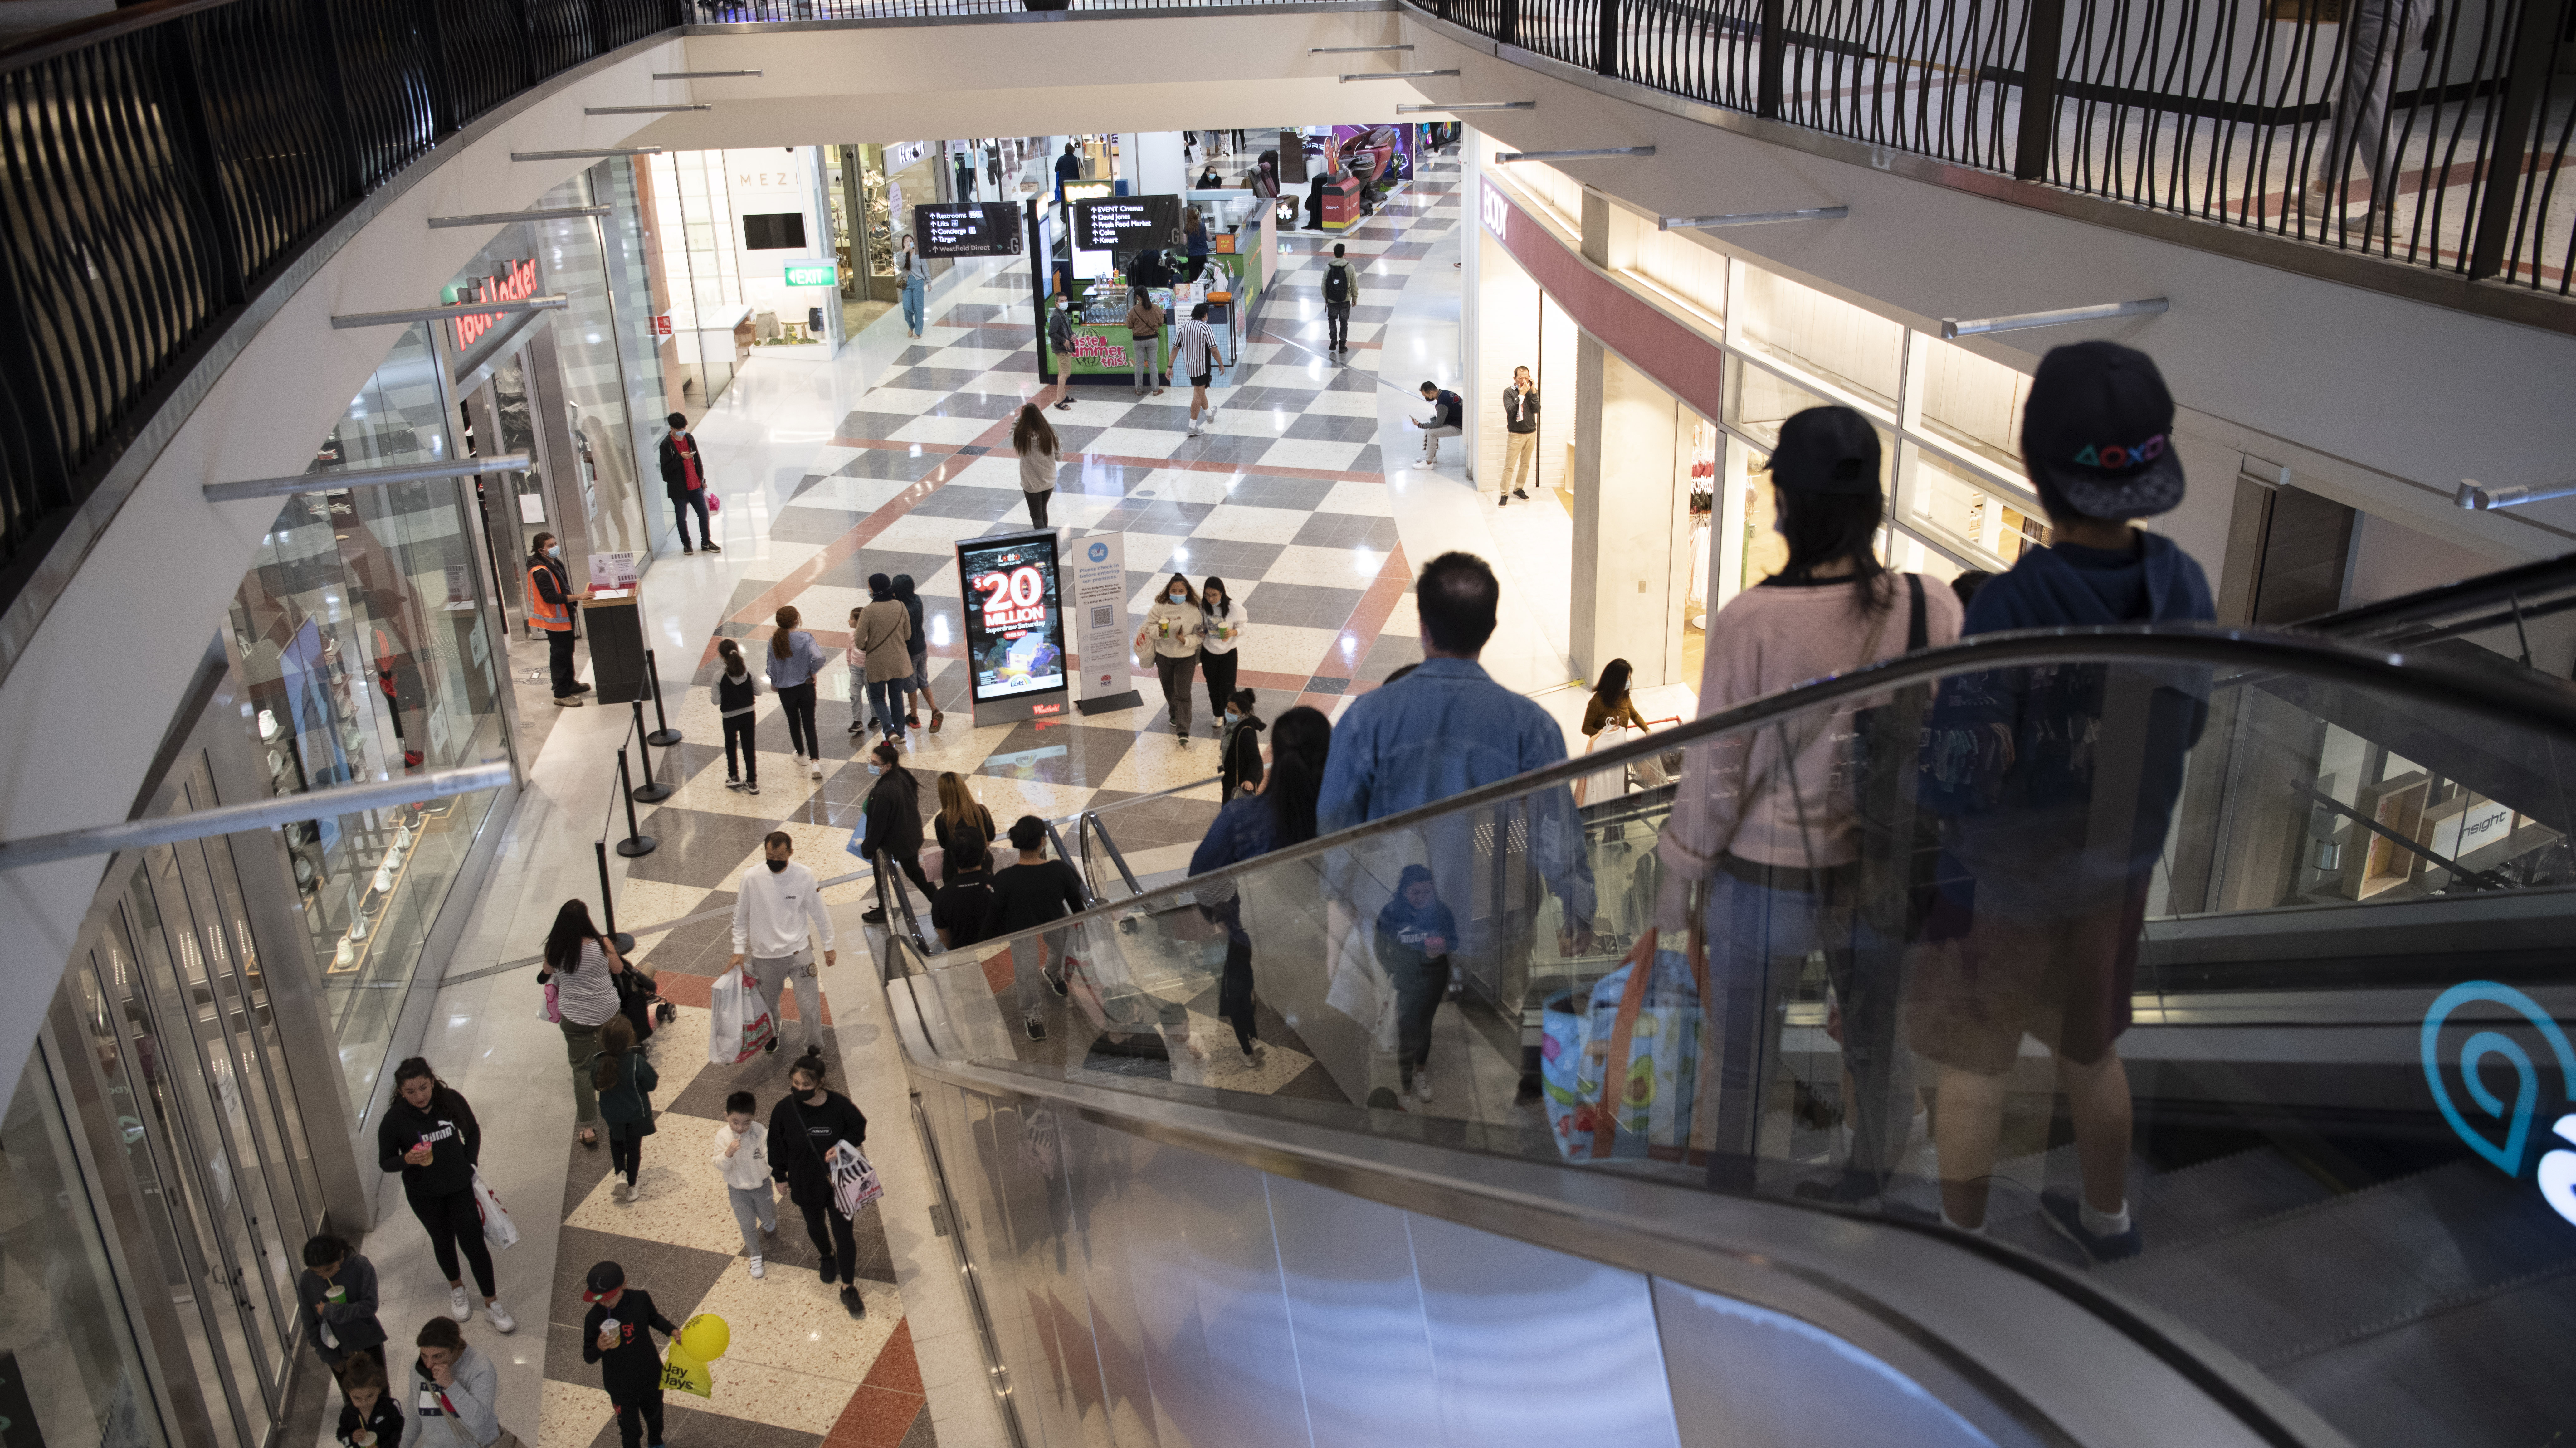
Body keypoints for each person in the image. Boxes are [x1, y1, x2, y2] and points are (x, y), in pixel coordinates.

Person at [1910, 342, 2214, 1261]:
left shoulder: (2010, 605)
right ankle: (2108, 1219)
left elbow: (1959, 771)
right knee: (2091, 1052)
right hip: (2117, 877)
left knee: (1974, 1063)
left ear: (2036, 468)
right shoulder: (2185, 586)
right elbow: (2188, 727)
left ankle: (1961, 1233)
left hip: (2002, 883)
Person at [1649, 404, 1963, 1198]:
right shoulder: (1932, 606)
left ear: (1785, 502)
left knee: (1741, 1062)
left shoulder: (1751, 621)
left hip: (1764, 880)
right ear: (1873, 508)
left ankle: (1733, 1200)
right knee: (1876, 1044)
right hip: (1883, 870)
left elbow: (1718, 770)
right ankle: (1872, 1186)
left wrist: (1678, 877)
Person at [1320, 552, 1596, 1090]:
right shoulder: (1530, 726)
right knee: (1496, 1025)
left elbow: (1336, 822)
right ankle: (1488, 1120)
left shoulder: (1367, 718)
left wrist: (1343, 900)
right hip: (1496, 914)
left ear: (1421, 626)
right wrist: (1578, 905)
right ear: (1491, 627)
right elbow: (1554, 829)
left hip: (1397, 919)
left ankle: (1405, 1099)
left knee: (1402, 1022)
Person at [1188, 706, 1332, 1058]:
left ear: (1276, 757)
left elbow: (1200, 878)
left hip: (1250, 925)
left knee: (1237, 972)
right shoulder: (1345, 813)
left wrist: (1223, 916)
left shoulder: (1241, 817)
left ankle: (1247, 1038)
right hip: (1317, 928)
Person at [374, 1058, 514, 1331]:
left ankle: (492, 1304)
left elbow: (472, 1131)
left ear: (432, 1080)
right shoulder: (394, 1120)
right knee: (442, 1241)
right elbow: (386, 1162)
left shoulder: (450, 1101)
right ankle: (457, 1288)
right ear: (401, 1092)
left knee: (473, 1243)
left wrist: (469, 1162)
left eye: (424, 1087)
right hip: (424, 1194)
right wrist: (407, 1159)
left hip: (459, 1187)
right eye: (411, 1092)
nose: (419, 1096)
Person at [768, 1047, 873, 1317]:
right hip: (804, 1181)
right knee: (814, 1225)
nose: (800, 1088)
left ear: (820, 1083)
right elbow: (776, 1145)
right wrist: (780, 1176)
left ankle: (848, 1286)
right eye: (796, 1083)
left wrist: (842, 1145)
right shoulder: (784, 1110)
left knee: (845, 1235)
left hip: (839, 1182)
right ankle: (827, 1256)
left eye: (806, 1084)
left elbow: (858, 1128)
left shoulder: (838, 1105)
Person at [2306, 0, 2432, 215]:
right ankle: (2323, 189)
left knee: (2371, 112)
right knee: (2349, 103)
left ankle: (2387, 208)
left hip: (2380, 14)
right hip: (2421, 13)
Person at [728, 830, 837, 1053]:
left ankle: (814, 1045)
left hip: (800, 953)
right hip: (766, 957)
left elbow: (819, 912)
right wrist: (738, 951)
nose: (774, 862)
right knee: (768, 1005)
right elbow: (740, 918)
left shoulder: (804, 876)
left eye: (780, 858)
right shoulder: (752, 878)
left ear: (791, 853)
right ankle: (772, 1033)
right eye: (770, 857)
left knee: (810, 1006)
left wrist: (829, 945)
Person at [542, 900, 633, 1149]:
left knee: (581, 1069)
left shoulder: (555, 948)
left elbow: (547, 971)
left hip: (575, 1017)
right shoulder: (602, 944)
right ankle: (623, 1113)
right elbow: (617, 968)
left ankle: (589, 1127)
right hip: (607, 1012)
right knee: (615, 1059)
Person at [989, 815, 1086, 1041]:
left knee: (1059, 952)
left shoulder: (1006, 878)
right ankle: (1031, 1013)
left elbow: (994, 914)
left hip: (1050, 921)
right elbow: (1077, 903)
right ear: (1043, 841)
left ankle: (1052, 972)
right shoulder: (1060, 869)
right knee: (1026, 970)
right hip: (1026, 928)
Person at [1374, 864, 1458, 1102]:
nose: (1422, 898)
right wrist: (1394, 970)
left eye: (1427, 893)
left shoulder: (1440, 912)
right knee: (1408, 1029)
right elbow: (1380, 947)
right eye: (1416, 893)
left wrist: (1443, 947)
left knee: (1424, 1025)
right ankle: (1407, 1087)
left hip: (1434, 978)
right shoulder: (1391, 914)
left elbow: (1454, 940)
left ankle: (1420, 1072)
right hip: (1407, 981)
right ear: (1404, 891)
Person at [581, 1262, 678, 1448]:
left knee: (655, 1415)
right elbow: (588, 1356)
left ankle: (656, 1441)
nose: (606, 1302)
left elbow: (654, 1319)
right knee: (630, 1431)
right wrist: (599, 1347)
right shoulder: (593, 1319)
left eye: (610, 1297)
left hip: (650, 1375)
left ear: (624, 1284)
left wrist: (672, 1331)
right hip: (620, 1386)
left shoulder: (640, 1300)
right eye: (600, 1299)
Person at [856, 740, 935, 925]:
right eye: (871, 761)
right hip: (910, 835)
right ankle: (938, 900)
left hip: (896, 841)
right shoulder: (903, 775)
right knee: (914, 871)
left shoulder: (884, 791)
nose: (872, 766)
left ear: (888, 765)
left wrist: (868, 848)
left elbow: (878, 827)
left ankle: (885, 911)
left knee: (881, 872)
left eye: (876, 764)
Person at [298, 1233, 388, 1387]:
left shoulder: (360, 1265)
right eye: (317, 1272)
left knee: (379, 1391)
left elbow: (370, 1305)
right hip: (337, 1351)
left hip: (367, 1341)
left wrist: (332, 1311)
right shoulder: (307, 1280)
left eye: (329, 1269)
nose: (324, 1276)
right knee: (352, 1399)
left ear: (340, 1256)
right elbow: (310, 1323)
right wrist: (328, 1356)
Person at [405, 1319, 506, 1448]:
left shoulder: (481, 1367)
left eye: (437, 1356)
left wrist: (451, 1385)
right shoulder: (418, 1368)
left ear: (456, 1349)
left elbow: (478, 1421)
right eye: (424, 1355)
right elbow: (414, 1414)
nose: (429, 1365)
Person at [710, 1089, 776, 1278]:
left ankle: (769, 1221)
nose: (741, 1127)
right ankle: (755, 1255)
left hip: (762, 1185)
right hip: (738, 1190)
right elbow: (719, 1164)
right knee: (747, 1225)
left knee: (769, 1214)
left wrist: (778, 1174)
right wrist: (728, 1154)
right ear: (727, 1116)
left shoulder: (760, 1131)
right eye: (735, 1122)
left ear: (753, 1118)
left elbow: (769, 1156)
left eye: (746, 1122)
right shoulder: (723, 1136)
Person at [592, 1014, 656, 1202]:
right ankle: (632, 1186)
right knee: (634, 1147)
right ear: (630, 1038)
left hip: (612, 1114)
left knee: (616, 1142)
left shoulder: (598, 1062)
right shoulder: (637, 1062)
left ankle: (620, 1173)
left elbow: (595, 1085)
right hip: (636, 1113)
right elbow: (652, 1084)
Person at [1136, 573, 1203, 742]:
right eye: (1174, 590)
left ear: (1188, 592)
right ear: (1168, 591)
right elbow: (1148, 627)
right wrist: (1157, 632)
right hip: (1164, 657)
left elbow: (1200, 636)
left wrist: (1185, 640)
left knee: (1184, 694)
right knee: (1169, 690)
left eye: (1181, 591)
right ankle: (1174, 712)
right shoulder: (1160, 608)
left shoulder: (1194, 611)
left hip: (1186, 658)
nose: (1178, 594)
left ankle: (1183, 731)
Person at [766, 604, 828, 778]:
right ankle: (815, 763)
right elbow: (818, 657)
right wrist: (812, 671)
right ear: (796, 620)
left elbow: (772, 667)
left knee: (794, 722)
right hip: (806, 686)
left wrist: (775, 682)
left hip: (786, 690)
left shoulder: (774, 642)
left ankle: (801, 755)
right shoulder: (806, 638)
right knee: (810, 724)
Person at [525, 533, 585, 707]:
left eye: (555, 543)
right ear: (541, 550)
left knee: (569, 651)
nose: (555, 547)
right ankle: (561, 693)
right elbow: (551, 597)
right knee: (560, 655)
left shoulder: (554, 563)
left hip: (565, 615)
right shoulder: (541, 571)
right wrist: (579, 597)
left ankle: (570, 683)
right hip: (555, 620)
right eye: (551, 545)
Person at [854, 575, 914, 745]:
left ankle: (889, 730)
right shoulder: (901, 606)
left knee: (878, 698)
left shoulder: (868, 612)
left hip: (877, 662)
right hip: (899, 661)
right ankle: (901, 733)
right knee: (897, 697)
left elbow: (859, 642)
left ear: (874, 589)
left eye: (869, 587)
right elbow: (908, 635)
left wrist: (870, 646)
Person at [657, 412, 720, 555]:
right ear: (672, 428)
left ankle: (706, 542)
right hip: (679, 488)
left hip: (696, 486)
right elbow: (666, 471)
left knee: (704, 515)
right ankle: (687, 544)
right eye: (679, 430)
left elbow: (698, 461)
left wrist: (702, 479)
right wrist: (680, 458)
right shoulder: (666, 445)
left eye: (684, 428)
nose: (682, 432)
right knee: (681, 518)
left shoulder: (690, 438)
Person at [711, 638, 765, 795]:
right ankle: (752, 782)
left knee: (730, 744)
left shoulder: (719, 676)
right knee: (749, 746)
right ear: (738, 651)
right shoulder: (748, 671)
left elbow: (716, 701)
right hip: (749, 713)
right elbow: (759, 692)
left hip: (729, 716)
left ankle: (734, 776)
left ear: (721, 656)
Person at [931, 825, 998, 949]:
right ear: (984, 853)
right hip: (998, 956)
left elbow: (947, 942)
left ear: (953, 856)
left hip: (965, 959)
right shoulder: (1000, 886)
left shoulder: (941, 897)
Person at [1195, 575, 1245, 731]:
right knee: (1213, 686)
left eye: (1215, 595)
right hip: (1209, 653)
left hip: (1228, 654)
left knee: (1228, 688)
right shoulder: (1202, 607)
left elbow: (1243, 628)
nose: (1211, 599)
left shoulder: (1234, 609)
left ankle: (1232, 716)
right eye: (1207, 595)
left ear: (1222, 593)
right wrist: (1201, 631)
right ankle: (1218, 714)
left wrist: (1233, 632)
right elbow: (1199, 625)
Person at [893, 573, 937, 731]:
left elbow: (907, 635)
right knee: (923, 681)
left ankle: (914, 717)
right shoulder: (917, 600)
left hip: (910, 653)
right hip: (922, 648)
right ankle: (935, 710)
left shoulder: (904, 609)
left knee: (911, 686)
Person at [334, 1354, 402, 1448]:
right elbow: (341, 1436)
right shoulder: (348, 1413)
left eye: (370, 1396)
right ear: (349, 1394)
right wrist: (351, 1438)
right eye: (357, 1398)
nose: (364, 1403)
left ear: (379, 1390)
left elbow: (401, 1432)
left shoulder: (390, 1406)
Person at [935, 772, 999, 866]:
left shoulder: (941, 819)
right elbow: (991, 837)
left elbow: (944, 845)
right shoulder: (981, 811)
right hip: (982, 863)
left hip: (955, 867)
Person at [1176, 302, 1221, 436]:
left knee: (1200, 391)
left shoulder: (1183, 328)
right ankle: (1192, 427)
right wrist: (1221, 364)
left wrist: (1170, 367)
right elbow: (1214, 350)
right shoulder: (1205, 328)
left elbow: (1174, 348)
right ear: (1205, 316)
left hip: (1190, 368)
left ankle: (1209, 414)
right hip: (1202, 367)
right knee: (1198, 395)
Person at [1013, 403, 1060, 529]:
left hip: (1032, 484)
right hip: (1049, 481)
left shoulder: (1021, 437)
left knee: (1036, 516)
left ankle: (1046, 542)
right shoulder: (1050, 435)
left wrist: (1020, 418)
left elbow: (1012, 431)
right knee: (1043, 510)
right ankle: (1047, 538)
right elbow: (1059, 456)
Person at [1498, 365, 1538, 504]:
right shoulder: (1509, 392)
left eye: (1526, 378)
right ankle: (1504, 494)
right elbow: (1511, 411)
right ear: (1515, 379)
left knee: (1525, 464)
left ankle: (1519, 489)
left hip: (1531, 433)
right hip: (1516, 434)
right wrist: (1520, 395)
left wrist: (1533, 392)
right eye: (1520, 378)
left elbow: (1537, 409)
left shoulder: (1531, 391)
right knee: (1510, 466)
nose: (1523, 381)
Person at [1582, 658, 1650, 738]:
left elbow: (1634, 715)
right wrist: (1604, 733)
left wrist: (1647, 731)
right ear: (1616, 681)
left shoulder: (1624, 696)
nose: (1629, 682)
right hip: (1603, 747)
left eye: (1629, 678)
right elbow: (1586, 728)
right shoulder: (1597, 702)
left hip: (1619, 743)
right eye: (1626, 679)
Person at [1218, 688, 1264, 796]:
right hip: (1231, 776)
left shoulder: (1246, 732)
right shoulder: (1233, 724)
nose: (1228, 712)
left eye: (1234, 711)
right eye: (1228, 708)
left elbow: (1256, 760)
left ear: (1244, 713)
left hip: (1240, 783)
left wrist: (1250, 780)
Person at [1409, 381, 1463, 465]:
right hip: (1458, 422)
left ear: (1431, 393)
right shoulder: (1446, 393)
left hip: (1460, 427)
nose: (1426, 398)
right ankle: (1432, 457)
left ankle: (1428, 463)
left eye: (1426, 396)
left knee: (1431, 433)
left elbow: (1439, 424)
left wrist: (1420, 425)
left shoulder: (1441, 403)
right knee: (1430, 430)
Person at [1124, 287, 1164, 396]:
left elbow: (1129, 326)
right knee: (1153, 365)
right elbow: (1161, 322)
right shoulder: (1155, 308)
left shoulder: (1134, 310)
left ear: (1137, 297)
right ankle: (1156, 390)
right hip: (1153, 340)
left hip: (1138, 341)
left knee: (1140, 365)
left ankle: (1139, 390)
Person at [1321, 242, 1357, 354]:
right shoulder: (1350, 268)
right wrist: (1355, 297)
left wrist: (1327, 298)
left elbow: (1324, 286)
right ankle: (1342, 345)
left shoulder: (1328, 268)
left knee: (1332, 319)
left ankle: (1333, 340)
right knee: (1344, 321)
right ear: (1344, 254)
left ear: (1334, 254)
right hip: (1345, 300)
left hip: (1332, 300)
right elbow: (1354, 284)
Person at [895, 232, 929, 338]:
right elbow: (900, 265)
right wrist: (905, 252)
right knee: (907, 307)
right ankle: (911, 325)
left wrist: (929, 281)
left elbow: (925, 268)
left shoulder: (919, 254)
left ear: (914, 243)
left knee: (919, 308)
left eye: (910, 241)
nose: (908, 243)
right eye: (906, 241)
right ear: (903, 244)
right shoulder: (901, 254)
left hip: (918, 282)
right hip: (907, 283)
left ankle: (918, 332)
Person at [1183, 206, 1213, 281]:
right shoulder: (1203, 226)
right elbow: (1210, 240)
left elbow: (1184, 242)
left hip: (1193, 256)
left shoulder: (1187, 228)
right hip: (1204, 255)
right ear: (1198, 216)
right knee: (1206, 278)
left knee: (1194, 279)